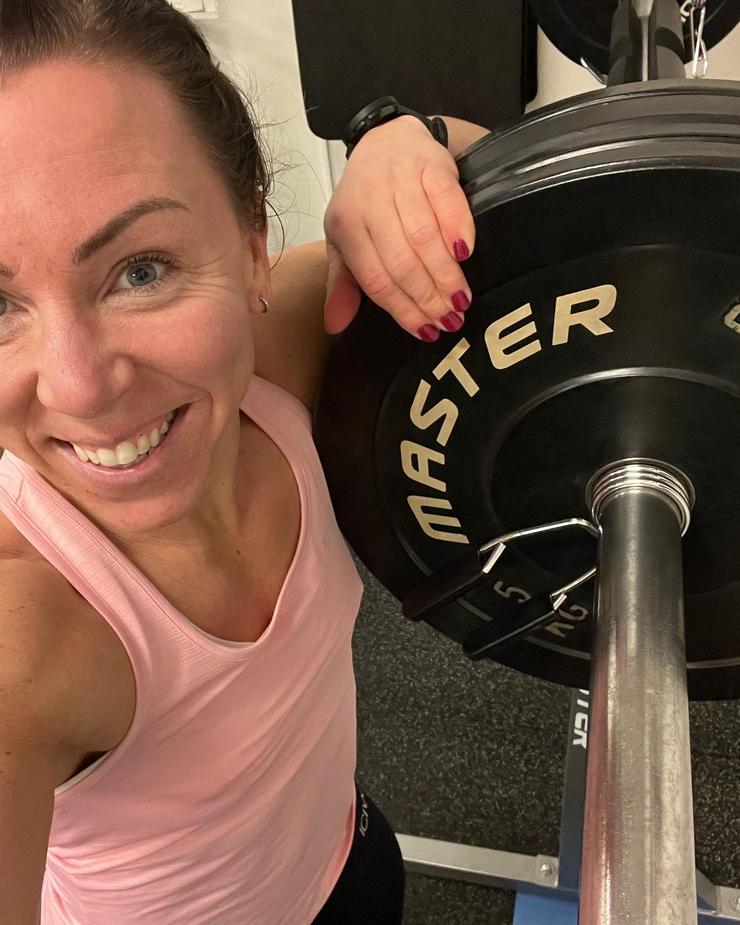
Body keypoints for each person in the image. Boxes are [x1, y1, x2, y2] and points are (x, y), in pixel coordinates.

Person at [0, 2, 488, 923]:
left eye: (141, 269)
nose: (80, 386)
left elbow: (524, 190)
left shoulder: (286, 351)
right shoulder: (20, 628)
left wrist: (407, 145)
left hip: (346, 859)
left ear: (255, 242)